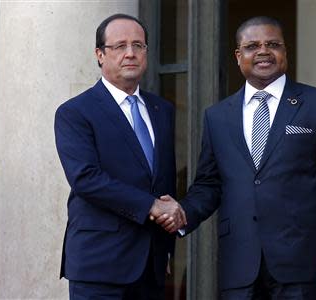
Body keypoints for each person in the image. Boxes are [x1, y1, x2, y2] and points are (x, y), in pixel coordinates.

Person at [156, 16, 316, 299]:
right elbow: (209, 185)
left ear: (284, 52)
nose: (263, 51)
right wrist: (181, 214)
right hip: (240, 266)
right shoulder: (217, 117)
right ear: (238, 57)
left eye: (273, 44)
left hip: (303, 267)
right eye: (252, 46)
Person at [54, 13, 186, 300]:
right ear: (100, 55)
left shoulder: (161, 110)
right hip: (99, 265)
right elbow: (85, 179)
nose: (131, 53)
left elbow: (162, 179)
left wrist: (164, 249)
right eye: (120, 46)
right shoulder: (75, 112)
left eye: (138, 46)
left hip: (150, 265)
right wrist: (151, 206)